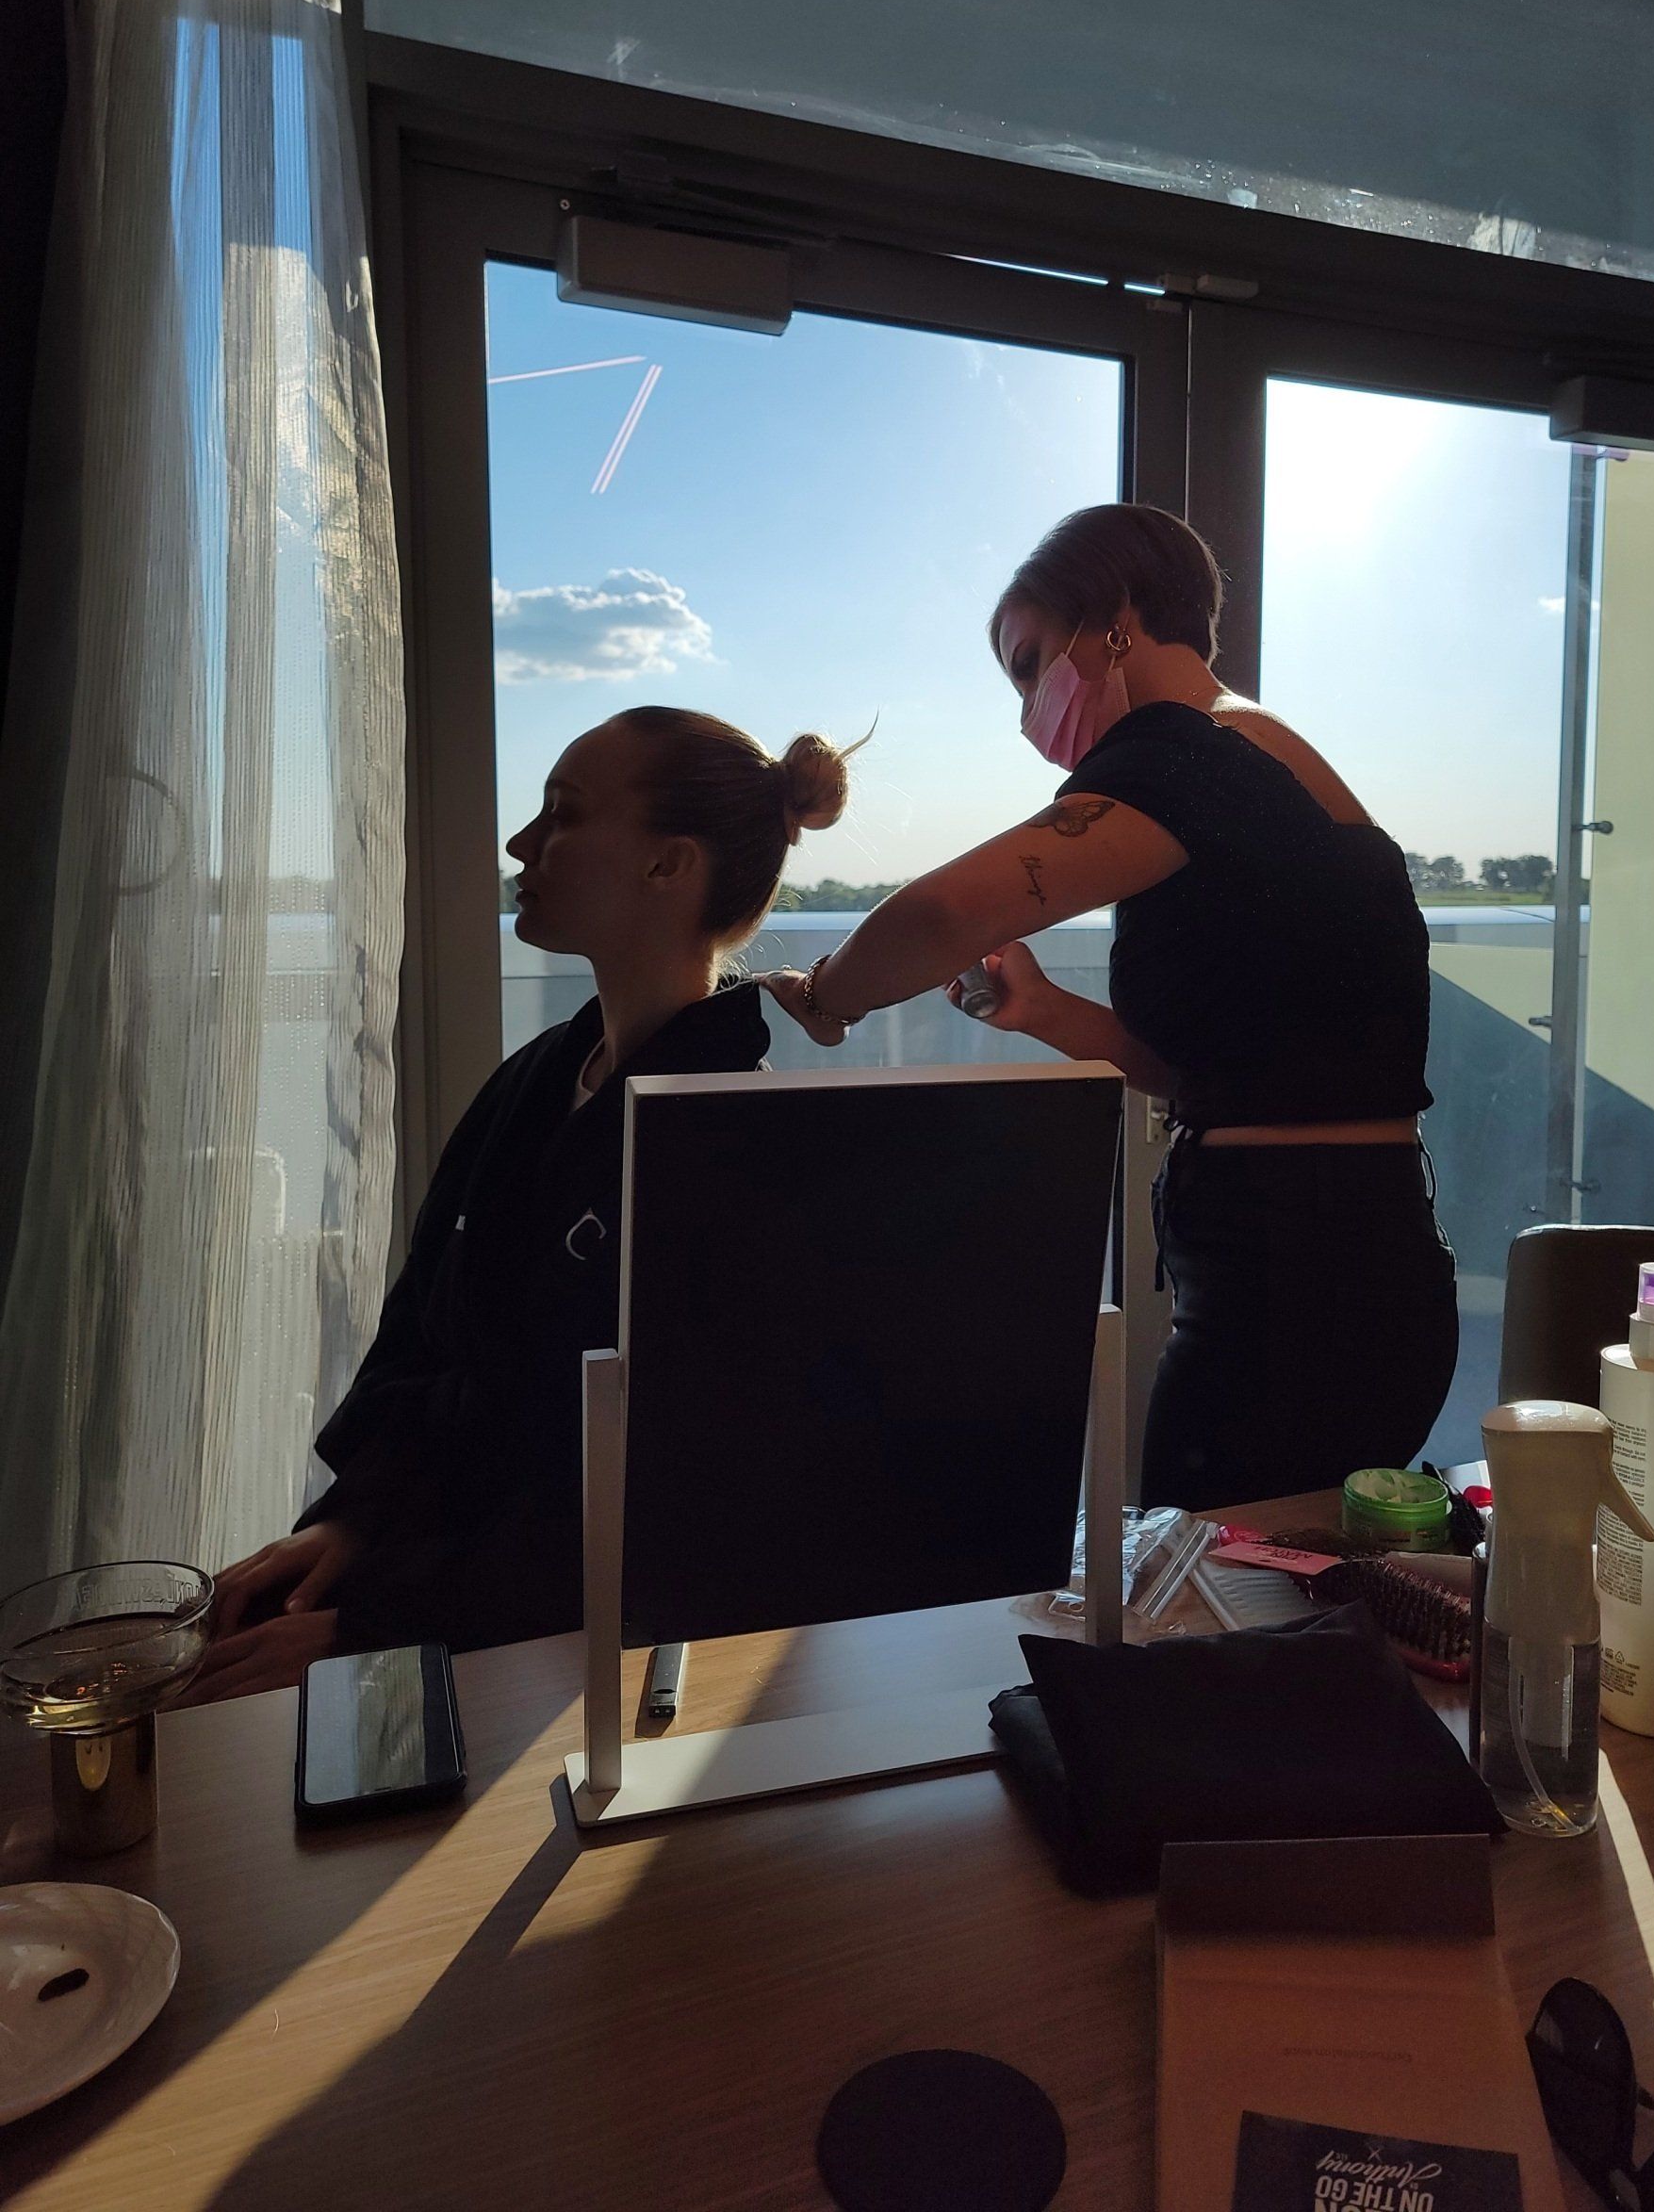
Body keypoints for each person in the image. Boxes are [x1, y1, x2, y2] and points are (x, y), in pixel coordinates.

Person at [766, 503, 1457, 1511]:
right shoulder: (1263, 759)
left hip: (1296, 1288)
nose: (1025, 712)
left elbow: (945, 909)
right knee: (1264, 1614)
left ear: (1115, 618)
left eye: (1029, 662)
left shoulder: (1177, 754)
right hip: (1354, 1263)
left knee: (1200, 1613)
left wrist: (824, 995)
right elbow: (1212, 1080)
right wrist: (1044, 1009)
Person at [188, 707, 852, 1703]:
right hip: (423, 1577)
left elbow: (669, 1510)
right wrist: (351, 1522)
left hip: (540, 1665)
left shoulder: (730, 1148)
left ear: (669, 866)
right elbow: (422, 1328)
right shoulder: (538, 1078)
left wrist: (376, 1630)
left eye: (563, 813)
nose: (520, 845)